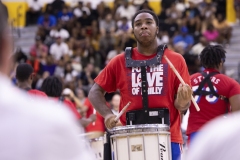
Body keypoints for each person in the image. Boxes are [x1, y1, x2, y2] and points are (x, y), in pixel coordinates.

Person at [88, 9, 192, 160]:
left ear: (157, 28)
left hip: (168, 137)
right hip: (129, 138)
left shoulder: (176, 60)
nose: (143, 26)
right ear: (133, 31)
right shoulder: (119, 61)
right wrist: (108, 114)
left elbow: (182, 105)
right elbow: (94, 92)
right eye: (138, 24)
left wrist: (183, 101)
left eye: (148, 22)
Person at [0, 6, 96, 160]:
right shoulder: (48, 107)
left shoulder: (16, 96)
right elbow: (77, 122)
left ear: (15, 77)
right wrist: (91, 119)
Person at [186, 45, 240, 143]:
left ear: (202, 62)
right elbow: (237, 114)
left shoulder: (189, 80)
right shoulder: (231, 83)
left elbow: (181, 108)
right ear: (221, 62)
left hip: (195, 132)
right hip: (220, 133)